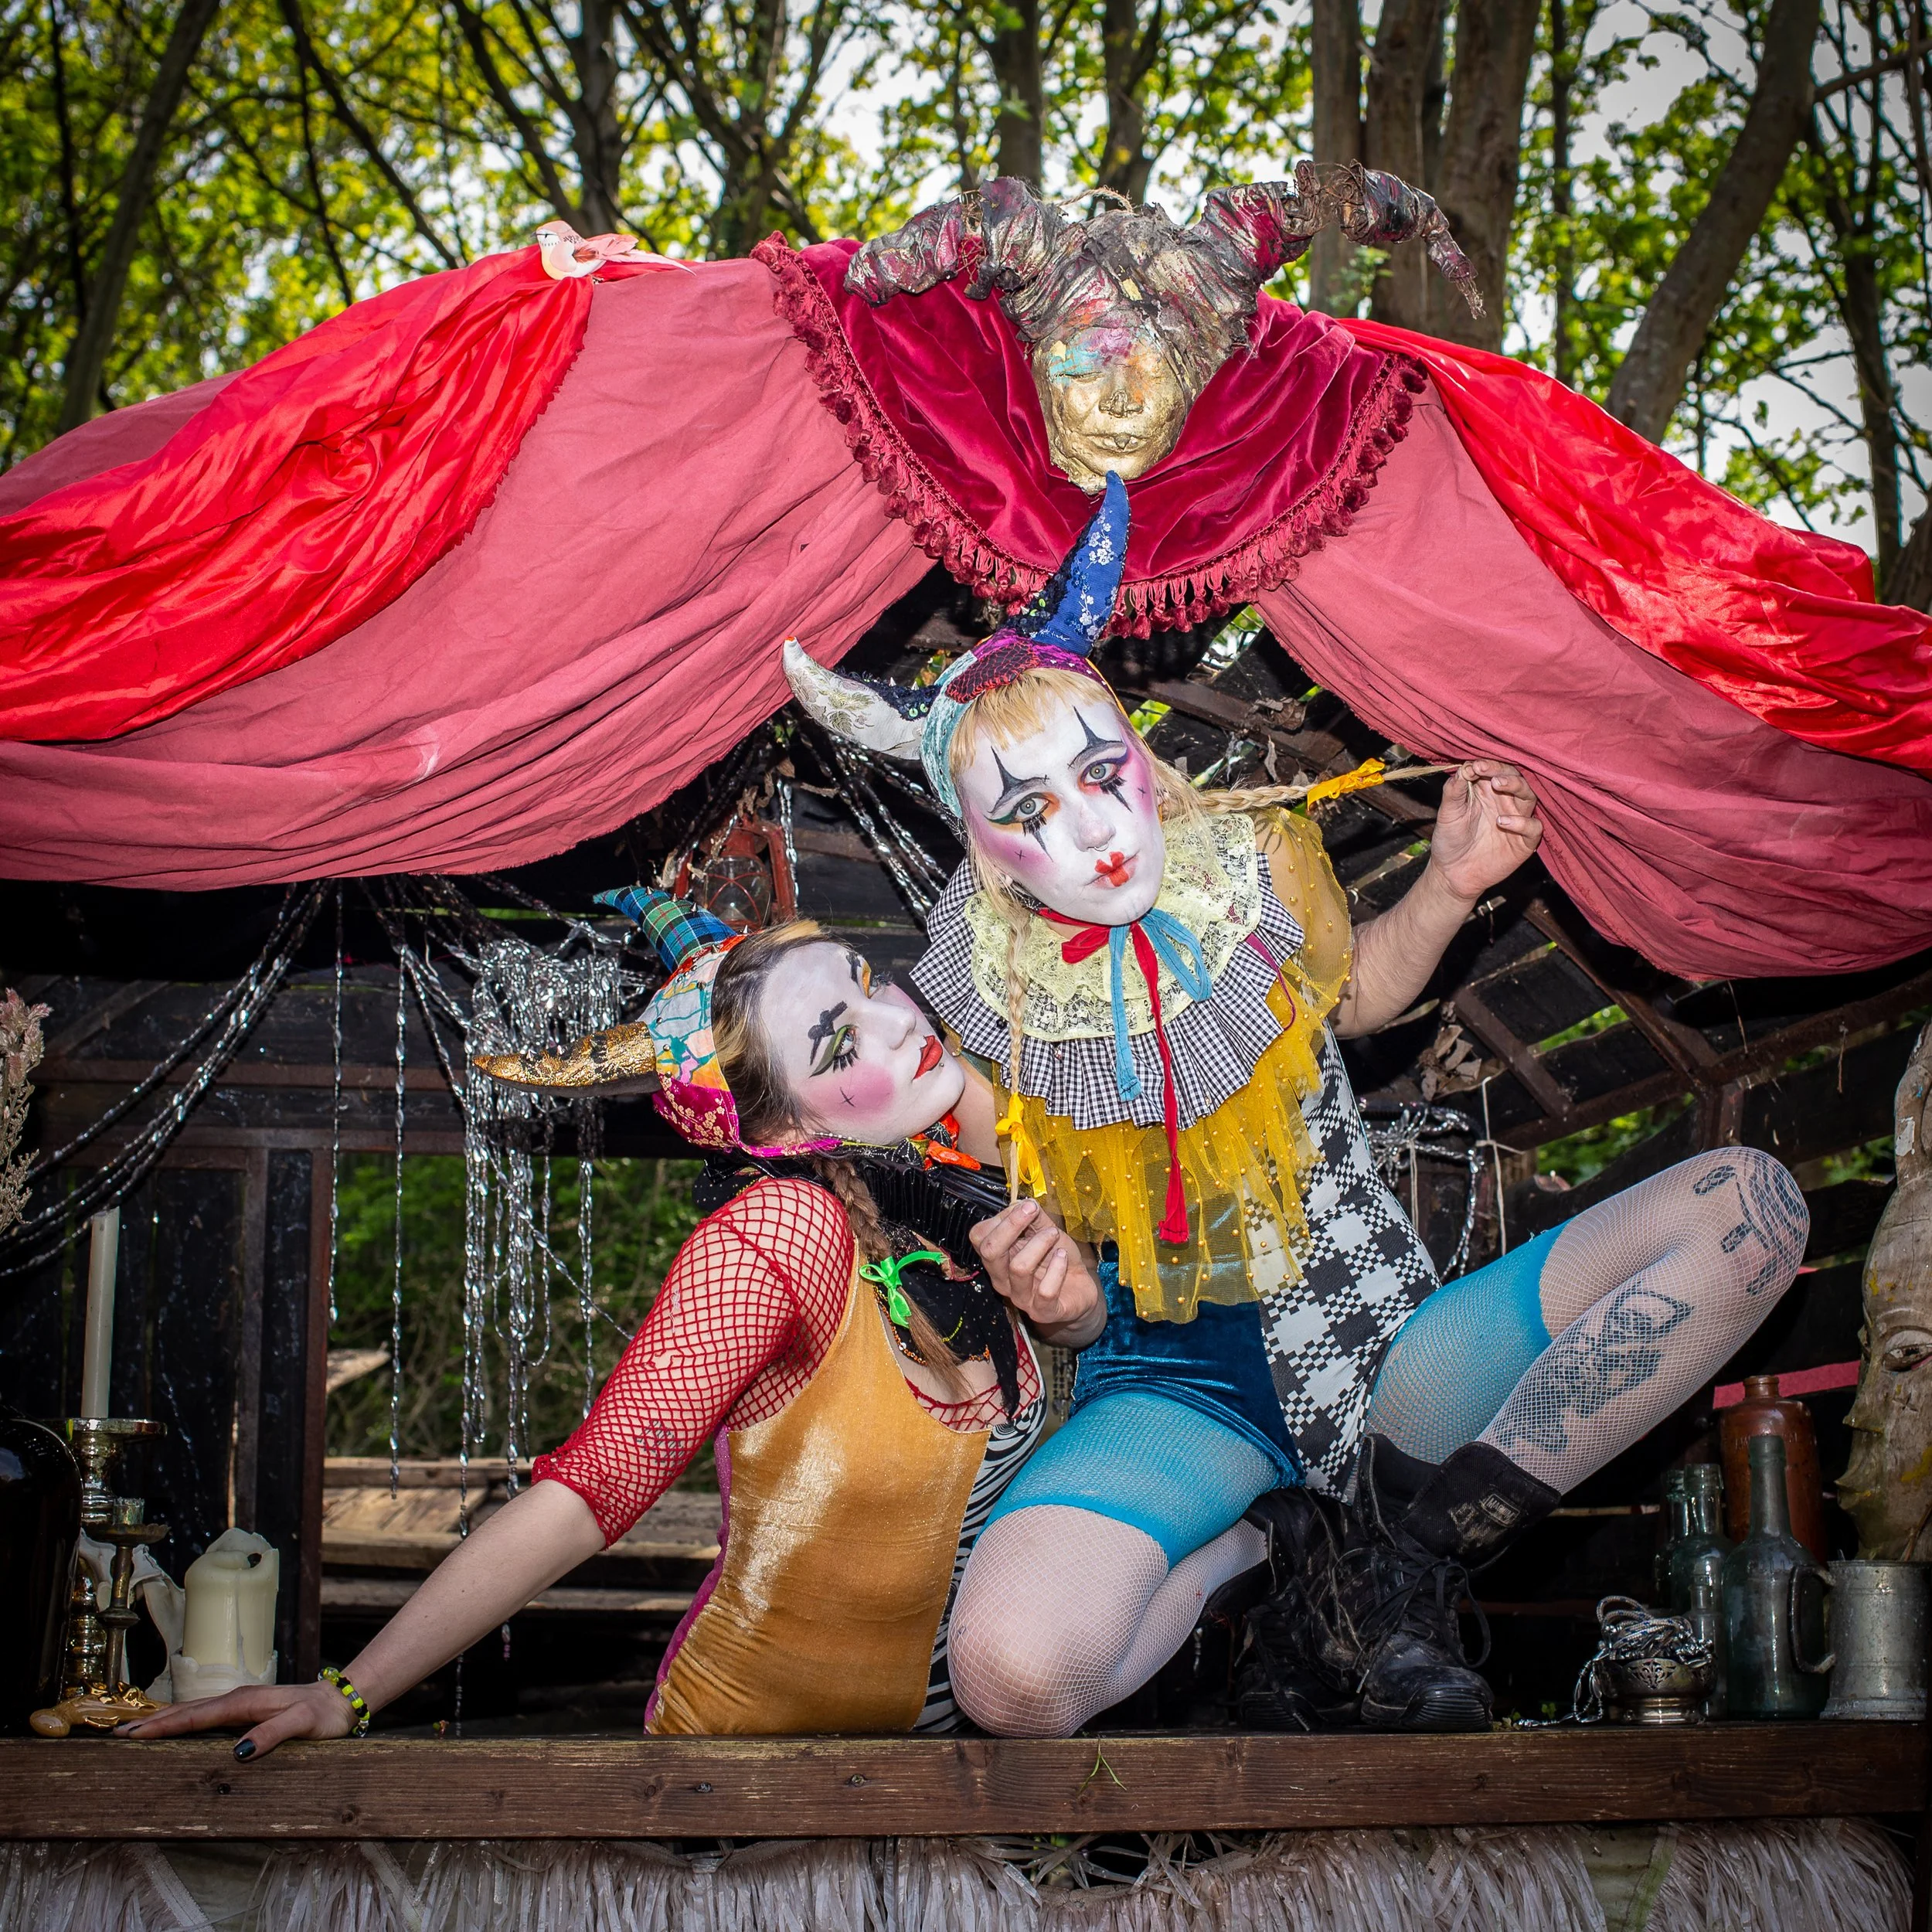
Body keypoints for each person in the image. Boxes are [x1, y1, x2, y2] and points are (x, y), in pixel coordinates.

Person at [786, 477, 1811, 1735]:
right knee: (1011, 1680)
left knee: (1751, 1209)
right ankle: (1270, 1551)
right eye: (1030, 809)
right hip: (1175, 1389)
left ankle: (1394, 1559)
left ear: (1137, 757)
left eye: (1102, 772)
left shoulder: (1249, 865)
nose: (1098, 832)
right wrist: (1051, 1292)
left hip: (1388, 1360)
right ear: (979, 844)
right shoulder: (976, 1003)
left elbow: (1355, 994)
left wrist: (1449, 884)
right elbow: (1027, 1223)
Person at [120, 893, 1103, 1757]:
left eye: (866, 979)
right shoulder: (780, 1233)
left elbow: (1097, 1267)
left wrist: (1072, 1316)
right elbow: (592, 1488)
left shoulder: (935, 1183)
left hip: (940, 1778)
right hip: (755, 1797)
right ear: (785, 1132)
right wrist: (347, 1693)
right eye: (837, 1044)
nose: (897, 1021)